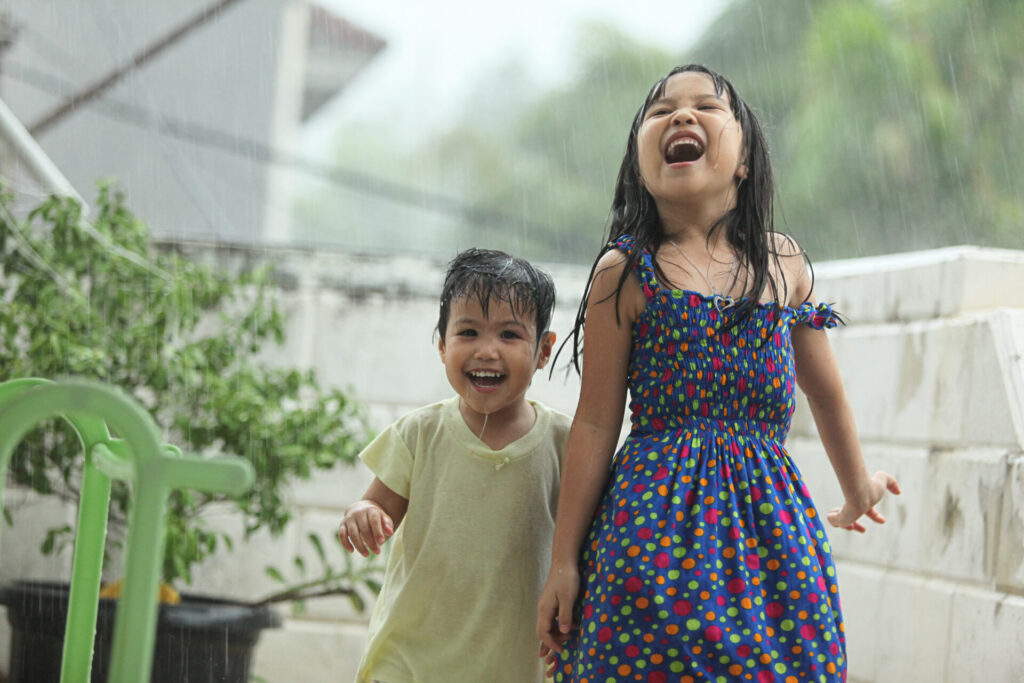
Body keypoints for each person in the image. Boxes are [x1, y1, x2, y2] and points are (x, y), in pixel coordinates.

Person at [536, 64, 900, 683]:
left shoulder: (785, 267)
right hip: (651, 536)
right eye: (660, 111)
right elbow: (597, 423)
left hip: (772, 543)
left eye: (706, 106)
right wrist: (564, 561)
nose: (681, 115)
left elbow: (825, 388)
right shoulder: (624, 273)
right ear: (640, 166)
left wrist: (857, 482)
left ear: (745, 161)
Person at [338, 247, 572, 683]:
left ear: (543, 350)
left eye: (509, 335)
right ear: (443, 346)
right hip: (410, 661)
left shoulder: (565, 444)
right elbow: (376, 509)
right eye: (468, 333)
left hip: (513, 665)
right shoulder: (419, 434)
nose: (487, 351)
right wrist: (362, 515)